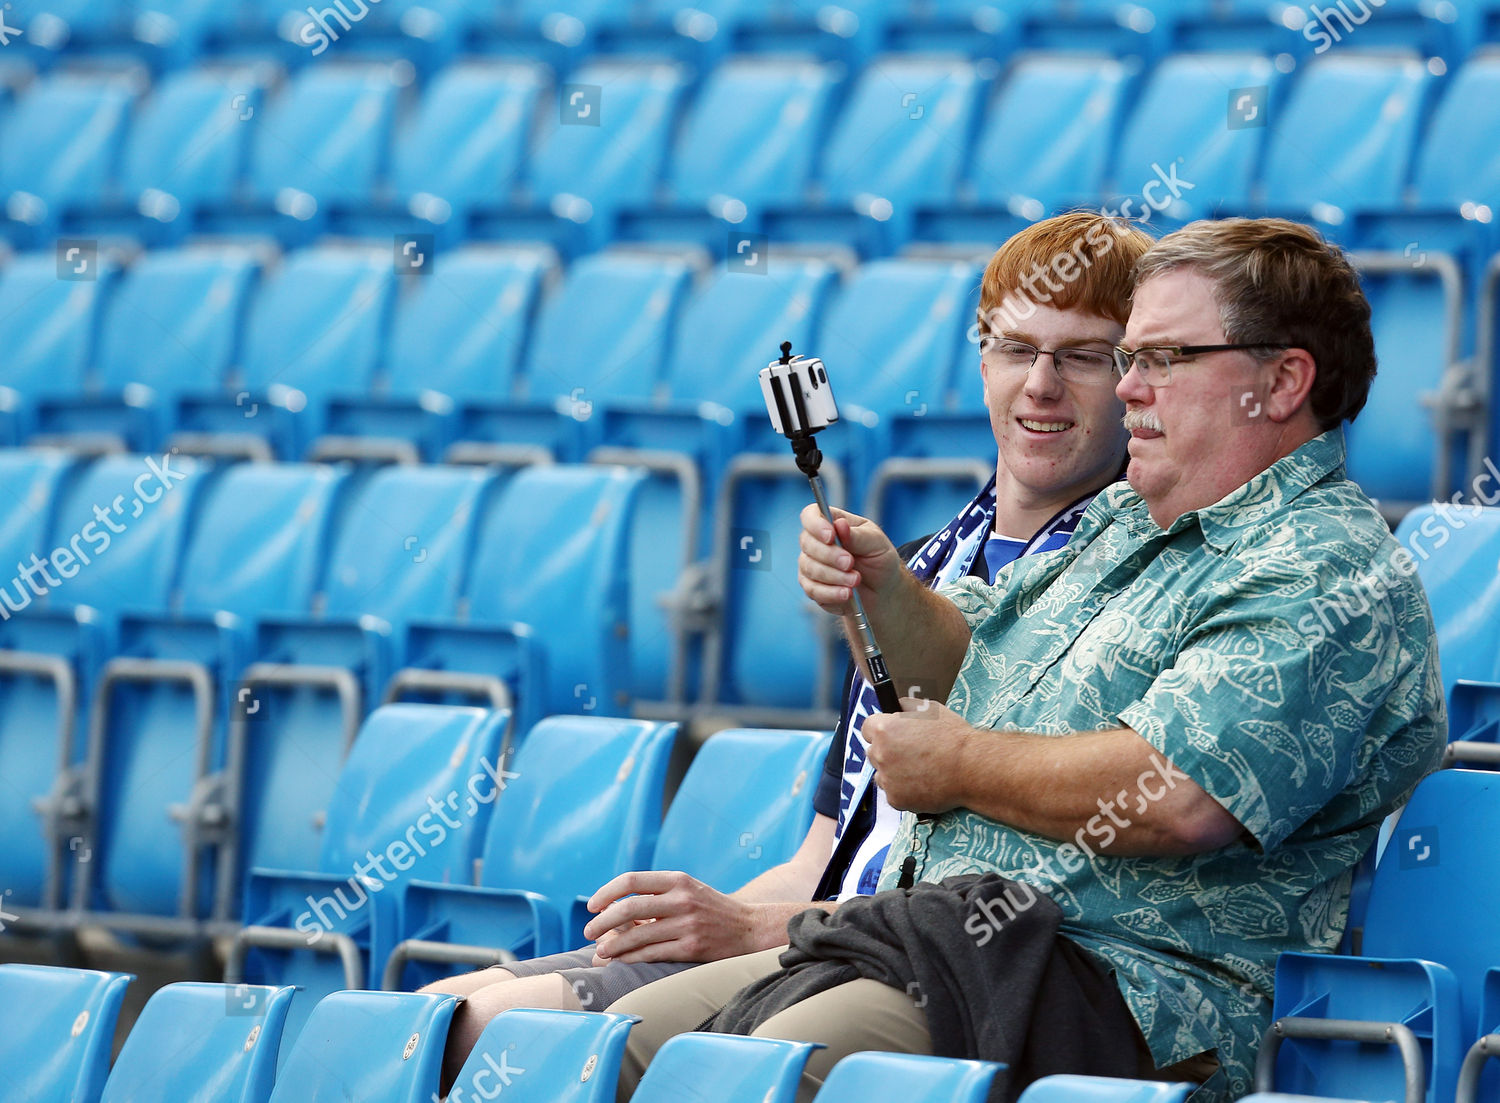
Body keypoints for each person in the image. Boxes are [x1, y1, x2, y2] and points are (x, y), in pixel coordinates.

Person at [608, 217, 1447, 1103]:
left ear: (1282, 382)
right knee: (589, 1051)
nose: (1127, 390)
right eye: (1129, 359)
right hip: (937, 943)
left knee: (740, 1080)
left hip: (1119, 996)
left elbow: (1183, 793)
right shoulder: (1127, 521)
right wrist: (886, 590)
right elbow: (964, 668)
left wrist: (963, 763)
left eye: (1162, 359)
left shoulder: (1322, 565)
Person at [417, 210, 1156, 1085]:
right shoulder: (923, 566)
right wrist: (713, 914)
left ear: (1137, 380)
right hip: (814, 933)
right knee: (444, 1022)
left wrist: (752, 929)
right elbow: (824, 855)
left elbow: (985, 889)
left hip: (907, 963)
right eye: (1014, 348)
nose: (1040, 383)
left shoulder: (1129, 588)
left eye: (1080, 356)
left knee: (545, 1043)